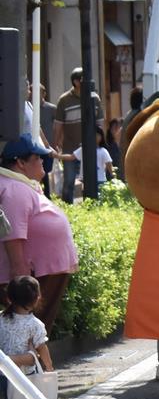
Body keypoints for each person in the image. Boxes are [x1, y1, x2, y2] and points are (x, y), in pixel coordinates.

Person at [0, 135, 78, 333]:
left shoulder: (21, 184)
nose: (43, 161)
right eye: (37, 157)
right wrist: (21, 282)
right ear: (20, 162)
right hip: (31, 276)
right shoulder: (14, 188)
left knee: (35, 330)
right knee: (29, 331)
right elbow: (13, 236)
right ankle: (29, 362)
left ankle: (33, 361)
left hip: (41, 272)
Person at [0, 276, 54, 399]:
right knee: (33, 397)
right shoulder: (34, 324)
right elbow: (41, 347)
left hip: (3, 371)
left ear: (9, 297)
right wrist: (49, 366)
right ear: (37, 298)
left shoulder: (1, 318)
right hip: (25, 372)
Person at [51, 68, 99, 204]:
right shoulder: (64, 100)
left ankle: (92, 207)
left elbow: (100, 124)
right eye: (85, 79)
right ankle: (68, 210)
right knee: (69, 182)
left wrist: (100, 144)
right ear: (76, 82)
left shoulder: (94, 98)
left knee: (92, 180)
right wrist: (55, 146)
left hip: (90, 149)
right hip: (70, 148)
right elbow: (58, 125)